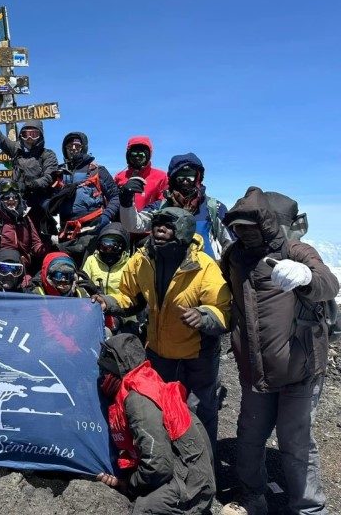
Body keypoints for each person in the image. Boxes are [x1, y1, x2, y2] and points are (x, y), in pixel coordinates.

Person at [219, 187, 339, 515]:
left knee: (296, 444)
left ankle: (310, 509)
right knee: (248, 438)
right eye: (238, 226)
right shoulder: (233, 256)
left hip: (300, 369)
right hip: (256, 369)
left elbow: (329, 284)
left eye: (250, 225)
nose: (243, 232)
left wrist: (305, 278)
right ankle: (252, 498)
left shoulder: (295, 249)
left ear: (267, 224)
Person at [94, 207, 231, 451]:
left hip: (196, 357)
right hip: (159, 354)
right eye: (157, 223)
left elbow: (223, 309)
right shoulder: (142, 260)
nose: (160, 228)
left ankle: (204, 473)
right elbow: (130, 298)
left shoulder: (204, 266)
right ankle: (167, 466)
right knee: (161, 410)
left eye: (168, 225)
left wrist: (204, 315)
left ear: (184, 230)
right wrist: (110, 302)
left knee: (199, 415)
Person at [96, 333, 215, 515]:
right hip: (183, 468)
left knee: (141, 509)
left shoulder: (137, 399)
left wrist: (128, 485)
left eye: (106, 372)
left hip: (191, 483)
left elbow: (158, 466)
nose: (103, 378)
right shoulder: (143, 381)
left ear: (118, 370)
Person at [0, 96, 57, 240]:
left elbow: (49, 176)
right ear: (21, 135)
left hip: (38, 198)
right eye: (25, 134)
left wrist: (32, 184)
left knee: (39, 232)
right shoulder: (16, 149)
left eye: (34, 135)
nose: (29, 138)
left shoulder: (47, 154)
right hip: (16, 197)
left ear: (40, 136)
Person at [119, 153, 232, 259]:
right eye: (180, 177)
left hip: (206, 275)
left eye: (190, 176)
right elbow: (133, 225)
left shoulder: (214, 208)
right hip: (169, 275)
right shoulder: (161, 207)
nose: (185, 181)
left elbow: (231, 245)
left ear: (198, 177)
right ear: (172, 179)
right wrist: (126, 201)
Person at [45, 131, 120, 267]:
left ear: (83, 147)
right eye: (69, 146)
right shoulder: (58, 173)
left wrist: (106, 216)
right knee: (65, 274)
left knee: (89, 273)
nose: (73, 149)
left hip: (92, 231)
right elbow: (48, 200)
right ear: (64, 149)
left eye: (77, 145)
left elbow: (115, 196)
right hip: (65, 233)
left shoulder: (98, 170)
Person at [113, 136, 168, 210]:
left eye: (141, 155)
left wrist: (146, 212)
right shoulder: (119, 177)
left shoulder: (162, 176)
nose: (137, 158)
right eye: (133, 155)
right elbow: (113, 201)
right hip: (124, 219)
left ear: (148, 155)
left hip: (150, 219)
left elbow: (164, 201)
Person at [82, 223, 133, 297]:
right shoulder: (91, 261)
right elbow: (81, 288)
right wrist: (90, 293)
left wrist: (107, 301)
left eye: (114, 247)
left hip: (120, 307)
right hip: (94, 304)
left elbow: (131, 296)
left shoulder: (130, 264)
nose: (108, 251)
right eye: (104, 246)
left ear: (123, 247)